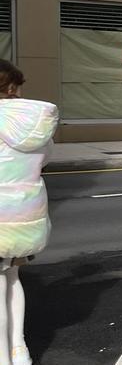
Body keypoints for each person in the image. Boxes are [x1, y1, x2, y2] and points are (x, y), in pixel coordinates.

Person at [0, 60, 58, 365]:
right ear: (13, 88)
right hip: (24, 214)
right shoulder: (35, 122)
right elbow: (46, 156)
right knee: (12, 278)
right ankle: (18, 350)